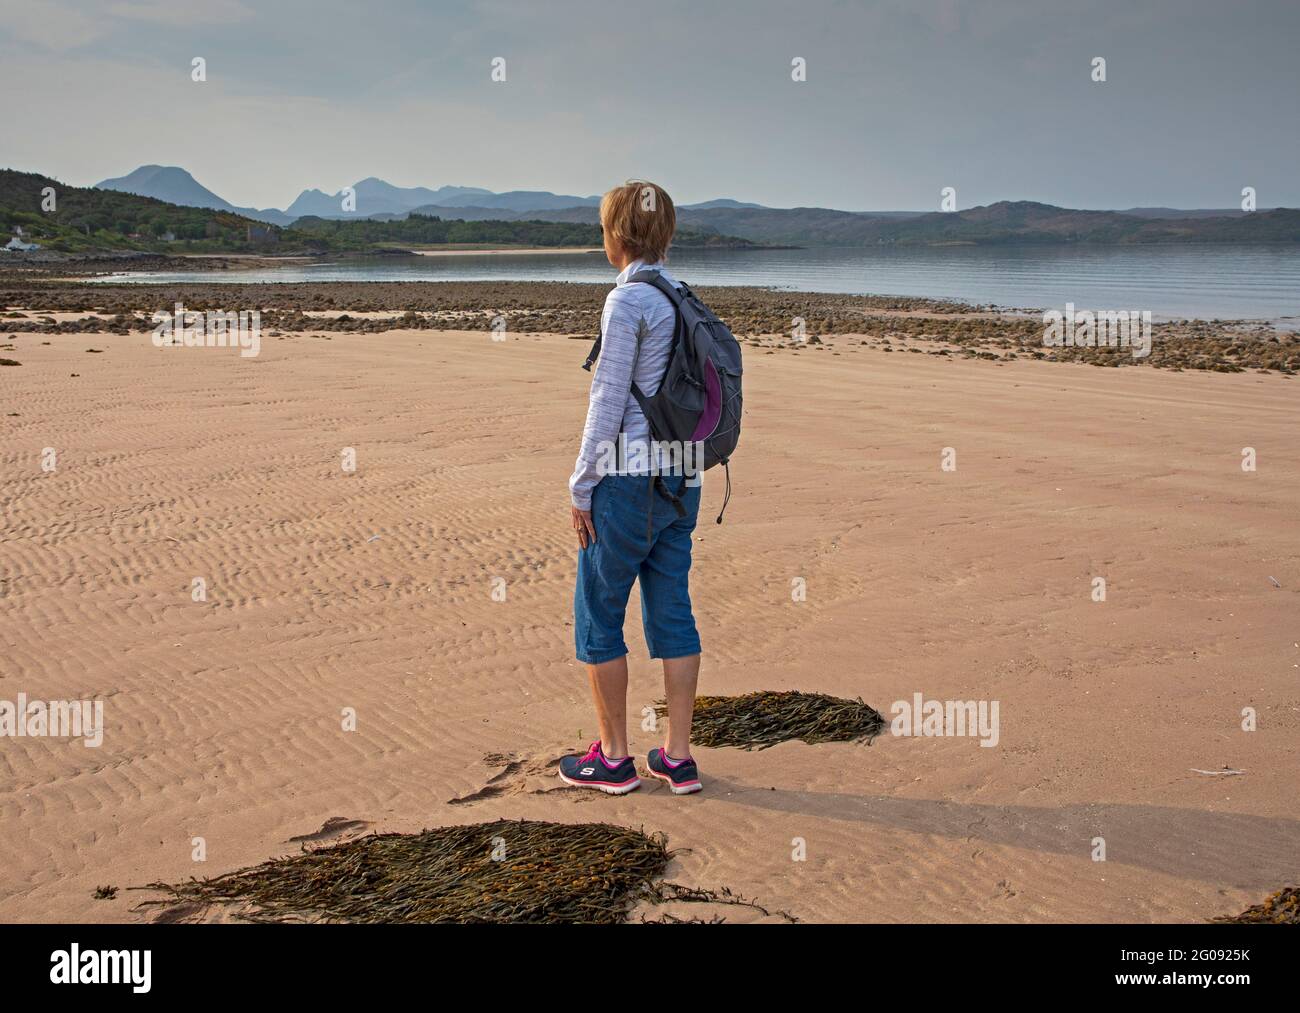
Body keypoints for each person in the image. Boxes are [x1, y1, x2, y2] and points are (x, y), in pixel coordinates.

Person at [558, 180, 703, 796]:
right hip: (683, 476)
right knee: (672, 609)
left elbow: (608, 398)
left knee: (598, 615)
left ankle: (613, 758)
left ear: (616, 235)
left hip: (626, 480)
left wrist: (581, 484)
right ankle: (677, 757)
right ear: (665, 234)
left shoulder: (626, 303)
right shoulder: (680, 296)